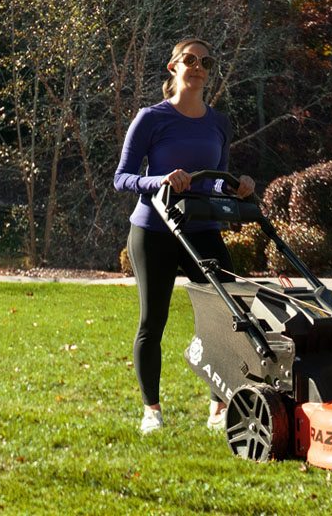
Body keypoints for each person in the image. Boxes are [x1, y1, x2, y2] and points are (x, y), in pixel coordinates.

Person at [113, 38, 255, 434]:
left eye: (206, 62)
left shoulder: (218, 123)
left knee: (229, 315)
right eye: (190, 59)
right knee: (152, 320)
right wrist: (161, 180)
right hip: (154, 229)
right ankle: (152, 412)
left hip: (202, 229)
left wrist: (237, 186)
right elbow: (122, 178)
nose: (198, 67)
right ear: (173, 67)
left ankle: (218, 409)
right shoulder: (151, 118)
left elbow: (214, 181)